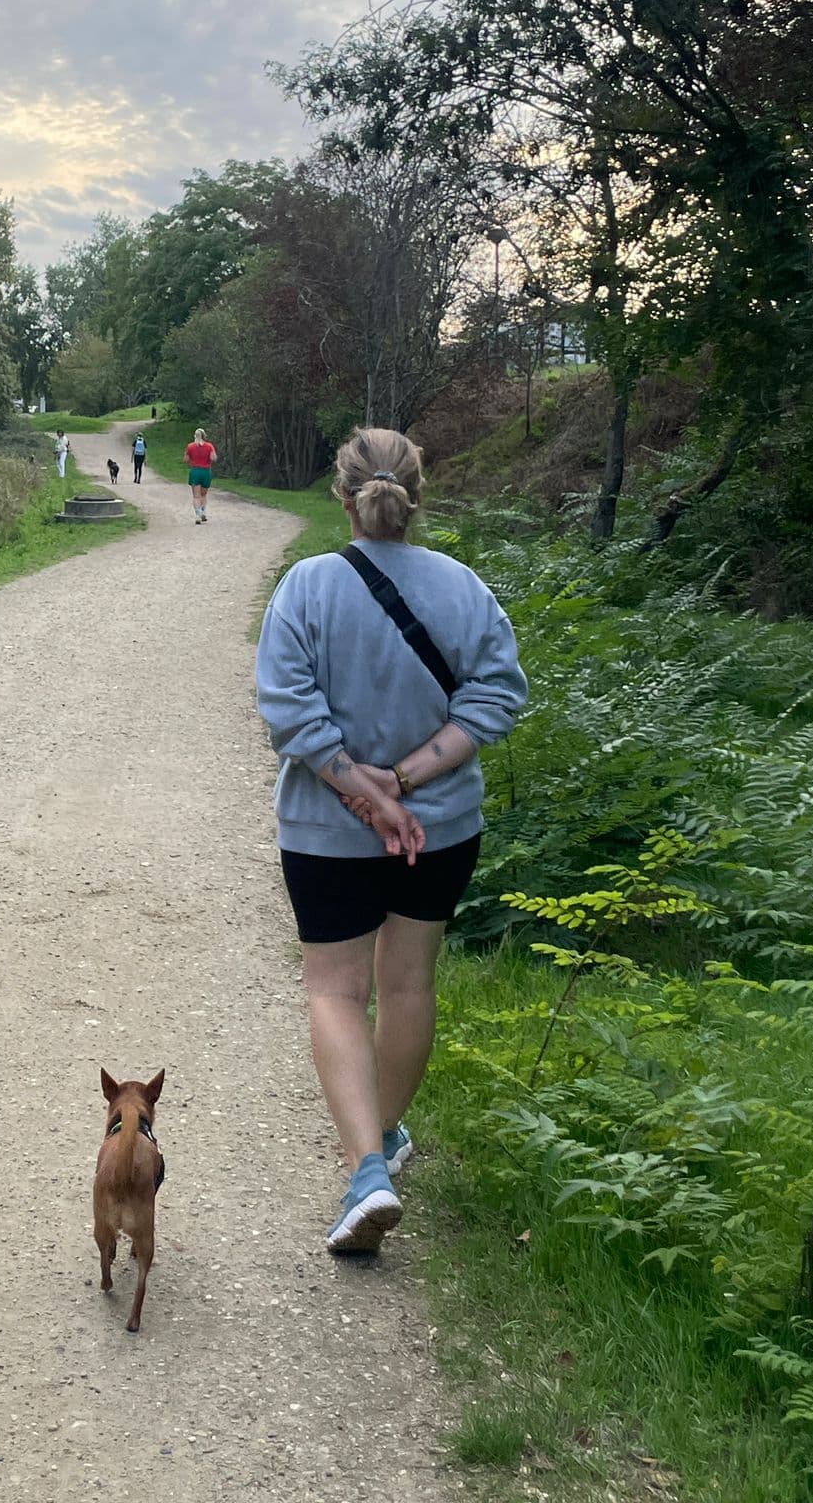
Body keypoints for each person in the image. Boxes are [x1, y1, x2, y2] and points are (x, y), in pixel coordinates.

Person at [255, 427, 526, 1255]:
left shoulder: (306, 586)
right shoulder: (466, 587)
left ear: (343, 498)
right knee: (408, 986)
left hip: (325, 833)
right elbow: (496, 695)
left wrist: (356, 783)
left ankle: (367, 1167)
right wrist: (404, 784)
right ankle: (382, 1143)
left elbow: (286, 703)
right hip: (439, 832)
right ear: (417, 498)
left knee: (336, 992)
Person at [185, 427, 216, 522]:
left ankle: (198, 514)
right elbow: (213, 458)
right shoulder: (209, 446)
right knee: (204, 495)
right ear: (204, 436)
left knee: (196, 496)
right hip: (206, 471)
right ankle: (203, 512)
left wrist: (192, 460)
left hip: (195, 471)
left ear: (195, 435)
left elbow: (186, 460)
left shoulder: (190, 446)